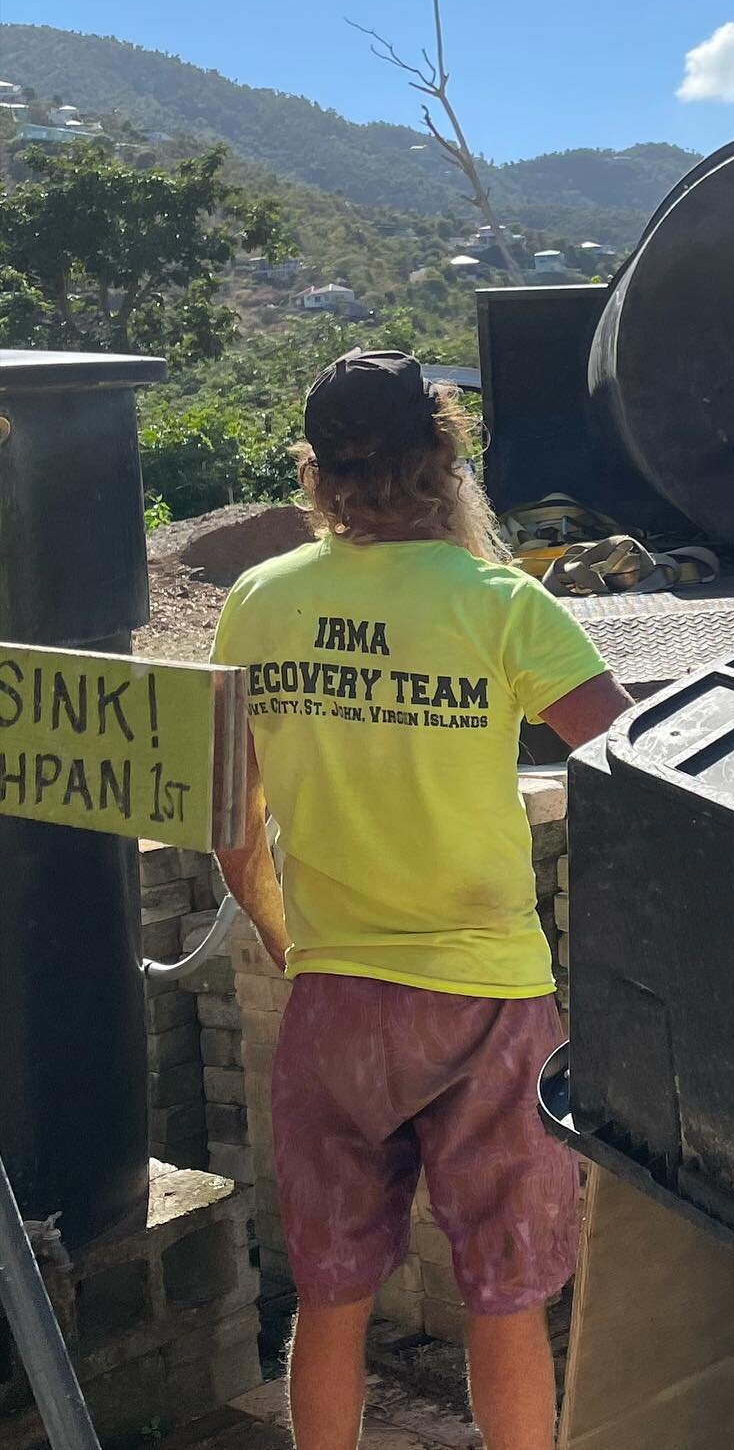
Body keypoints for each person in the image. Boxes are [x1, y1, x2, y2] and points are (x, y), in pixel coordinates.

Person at [212, 348, 632, 1450]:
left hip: (336, 994)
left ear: (315, 471)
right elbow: (640, 759)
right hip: (488, 995)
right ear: (446, 456)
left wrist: (288, 937)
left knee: (331, 1293)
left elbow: (229, 817)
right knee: (506, 1299)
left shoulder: (259, 601)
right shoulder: (498, 602)